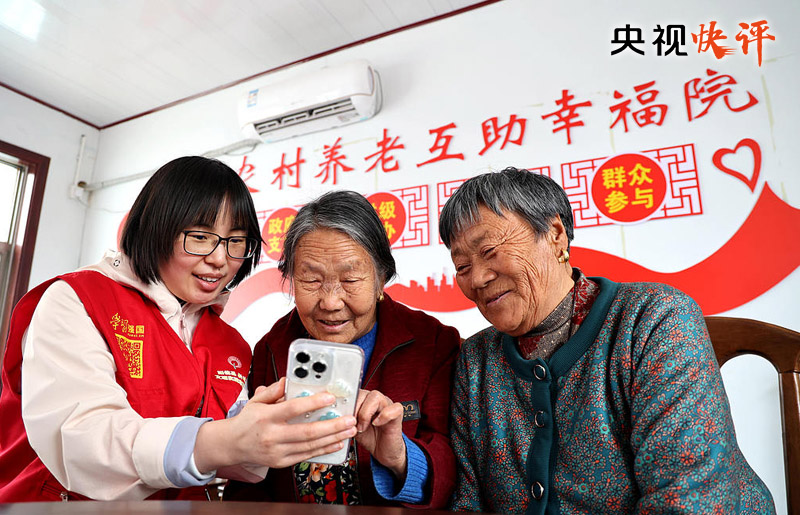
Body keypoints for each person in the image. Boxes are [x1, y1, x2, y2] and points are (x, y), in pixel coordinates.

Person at [0, 156, 357, 502]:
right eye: (200, 237)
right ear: (154, 228)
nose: (220, 259)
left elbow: (229, 458)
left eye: (236, 241)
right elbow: (82, 441)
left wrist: (276, 428)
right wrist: (221, 440)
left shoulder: (230, 344)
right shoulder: (78, 299)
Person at [438, 168, 775, 514]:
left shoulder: (655, 319)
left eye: (490, 250)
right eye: (462, 266)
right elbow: (467, 504)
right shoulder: (476, 360)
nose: (477, 278)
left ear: (555, 235)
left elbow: (689, 500)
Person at [224, 190, 460, 508]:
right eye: (311, 280)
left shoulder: (433, 343)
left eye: (350, 280)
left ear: (381, 279)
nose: (331, 302)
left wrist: (399, 457)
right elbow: (246, 483)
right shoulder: (272, 348)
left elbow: (455, 471)